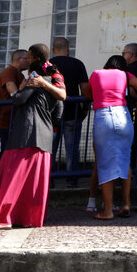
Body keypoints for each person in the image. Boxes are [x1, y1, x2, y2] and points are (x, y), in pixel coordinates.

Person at [0, 43, 67, 229]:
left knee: (13, 176)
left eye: (29, 57)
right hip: (45, 136)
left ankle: (3, 217)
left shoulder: (34, 79)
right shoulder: (55, 79)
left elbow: (19, 100)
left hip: (25, 132)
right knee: (35, 182)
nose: (27, 60)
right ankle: (30, 217)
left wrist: (21, 87)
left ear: (35, 59)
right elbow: (59, 111)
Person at [86, 54, 137, 220]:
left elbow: (87, 95)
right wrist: (135, 102)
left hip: (104, 118)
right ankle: (126, 204)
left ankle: (108, 211)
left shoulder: (96, 74)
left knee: (104, 163)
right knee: (124, 160)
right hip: (123, 115)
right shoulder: (125, 75)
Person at [50, 37, 90, 186]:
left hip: (51, 115)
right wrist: (84, 109)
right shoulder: (77, 64)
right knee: (72, 148)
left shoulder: (47, 65)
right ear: (68, 49)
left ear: (53, 50)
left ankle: (48, 180)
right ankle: (71, 180)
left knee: (50, 148)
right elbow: (85, 89)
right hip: (72, 112)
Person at [0, 49, 29, 154]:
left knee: (11, 150)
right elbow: (12, 91)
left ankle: (5, 170)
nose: (29, 61)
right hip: (6, 120)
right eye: (27, 59)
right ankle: (2, 170)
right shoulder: (9, 71)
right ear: (18, 59)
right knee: (7, 150)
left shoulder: (19, 74)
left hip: (13, 119)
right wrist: (21, 91)